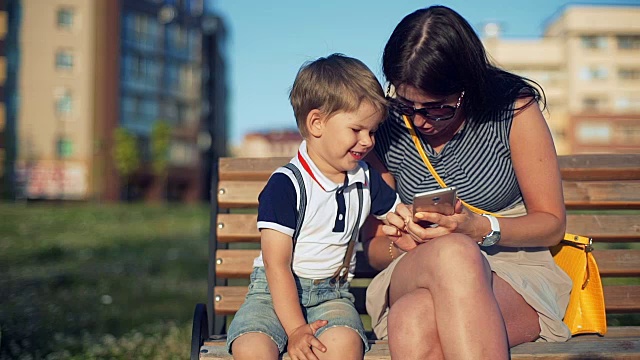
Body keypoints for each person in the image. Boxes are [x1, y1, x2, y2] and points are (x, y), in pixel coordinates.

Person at [362, 5, 573, 359]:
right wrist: (409, 243)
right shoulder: (383, 129)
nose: (420, 121)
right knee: (454, 253)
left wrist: (480, 228)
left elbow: (551, 224)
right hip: (411, 269)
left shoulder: (512, 111)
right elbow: (373, 248)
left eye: (437, 108)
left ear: (467, 87)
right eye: (406, 105)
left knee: (414, 320)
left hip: (514, 268)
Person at [226, 53, 401, 360]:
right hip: (272, 293)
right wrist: (295, 330)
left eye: (372, 131)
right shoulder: (286, 186)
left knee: (345, 345)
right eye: (357, 130)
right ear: (316, 123)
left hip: (331, 295)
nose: (368, 141)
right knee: (252, 348)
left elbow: (397, 213)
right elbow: (277, 265)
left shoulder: (365, 178)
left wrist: (413, 219)